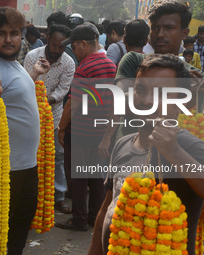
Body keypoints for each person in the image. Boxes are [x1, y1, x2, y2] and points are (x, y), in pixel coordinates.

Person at [88, 1, 204, 254]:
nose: (160, 34)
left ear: (185, 33)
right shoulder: (134, 60)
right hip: (132, 141)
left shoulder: (192, 76)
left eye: (169, 28)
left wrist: (175, 149)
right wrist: (109, 136)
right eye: (155, 28)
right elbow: (106, 210)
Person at [102, 53, 204, 255]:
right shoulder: (122, 144)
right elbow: (107, 208)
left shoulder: (191, 147)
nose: (146, 100)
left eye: (160, 93)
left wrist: (174, 152)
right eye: (140, 89)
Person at [0, 7, 49, 254]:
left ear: (21, 35)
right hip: (3, 169)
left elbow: (15, 96)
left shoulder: (13, 64)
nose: (8, 39)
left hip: (26, 164)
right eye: (1, 33)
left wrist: (35, 73)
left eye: (14, 33)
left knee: (20, 225)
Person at [55, 22, 117, 231]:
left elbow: (73, 103)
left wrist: (61, 128)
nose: (73, 50)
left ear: (84, 44)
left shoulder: (86, 67)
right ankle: (94, 217)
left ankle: (79, 219)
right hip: (100, 132)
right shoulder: (110, 64)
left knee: (77, 178)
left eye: (74, 46)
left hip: (80, 132)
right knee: (97, 176)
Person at [24, 24, 75, 214]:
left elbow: (63, 90)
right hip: (30, 114)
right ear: (48, 40)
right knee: (33, 156)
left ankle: (58, 196)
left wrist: (47, 100)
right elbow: (26, 83)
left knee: (57, 156)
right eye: (54, 45)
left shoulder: (69, 63)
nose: (56, 50)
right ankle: (34, 194)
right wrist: (38, 99)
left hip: (53, 114)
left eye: (61, 47)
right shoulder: (32, 56)